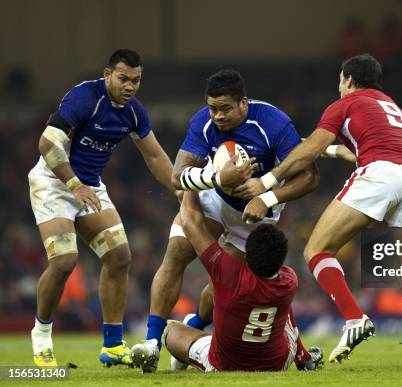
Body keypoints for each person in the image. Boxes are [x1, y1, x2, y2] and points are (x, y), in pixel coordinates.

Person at [247, 54, 402, 371]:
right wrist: (330, 149)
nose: (339, 86)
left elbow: (312, 148)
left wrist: (267, 183)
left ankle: (354, 318)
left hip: (381, 173)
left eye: (340, 80)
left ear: (348, 79)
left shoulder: (344, 104)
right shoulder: (395, 109)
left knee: (317, 248)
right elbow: (342, 147)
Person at [131, 69, 325, 373]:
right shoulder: (203, 123)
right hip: (214, 200)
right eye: (213, 108)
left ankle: (193, 325)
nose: (218, 116)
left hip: (256, 216)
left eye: (225, 109)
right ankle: (152, 343)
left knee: (223, 285)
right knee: (176, 255)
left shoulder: (273, 124)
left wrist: (267, 196)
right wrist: (217, 178)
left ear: (244, 103)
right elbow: (176, 175)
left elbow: (311, 176)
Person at [28, 49, 175, 367]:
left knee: (119, 257)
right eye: (123, 78)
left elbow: (154, 156)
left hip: (89, 186)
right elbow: (47, 145)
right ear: (108, 74)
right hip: (54, 181)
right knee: (65, 261)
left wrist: (180, 190)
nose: (130, 86)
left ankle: (112, 345)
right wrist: (74, 185)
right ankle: (41, 335)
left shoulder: (134, 112)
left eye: (136, 80)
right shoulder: (85, 98)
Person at [158, 191, 324, 372]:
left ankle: (198, 345)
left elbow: (191, 224)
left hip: (224, 364)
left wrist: (191, 186)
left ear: (248, 254)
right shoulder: (290, 279)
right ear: (281, 257)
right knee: (283, 306)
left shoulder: (227, 271)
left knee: (172, 332)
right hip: (278, 363)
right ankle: (303, 357)